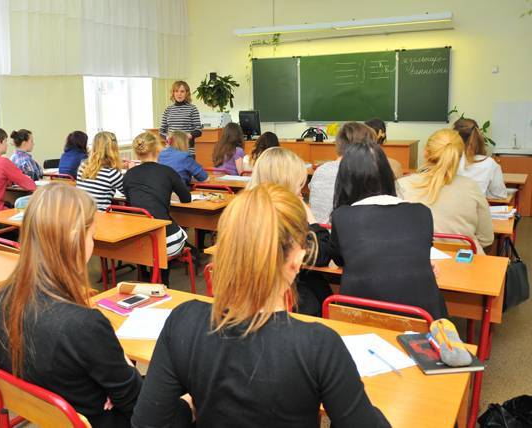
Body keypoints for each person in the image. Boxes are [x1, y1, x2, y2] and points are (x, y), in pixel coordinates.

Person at [131, 183, 390, 428]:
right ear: (297, 258)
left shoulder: (182, 320)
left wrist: (188, 406)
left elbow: (147, 423)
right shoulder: (319, 345)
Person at [0, 184, 192, 428]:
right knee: (195, 391)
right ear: (75, 239)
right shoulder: (83, 325)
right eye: (91, 235)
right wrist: (188, 404)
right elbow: (142, 412)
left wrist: (99, 385)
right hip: (105, 420)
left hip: (60, 411)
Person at [314, 141, 448, 319]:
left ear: (346, 180)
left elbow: (340, 259)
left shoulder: (343, 216)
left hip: (362, 317)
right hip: (423, 319)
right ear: (387, 174)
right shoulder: (422, 212)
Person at [248, 147, 331, 316]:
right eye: (299, 184)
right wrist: (310, 216)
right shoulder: (284, 216)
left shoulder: (246, 206)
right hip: (286, 300)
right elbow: (321, 255)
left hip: (250, 295)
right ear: (286, 183)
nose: (301, 190)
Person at [398, 129, 494, 254]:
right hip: (463, 265)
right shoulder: (471, 187)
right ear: (460, 157)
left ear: (425, 153)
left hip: (415, 261)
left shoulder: (402, 185)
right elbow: (486, 239)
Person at [123, 132, 191, 281]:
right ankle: (163, 282)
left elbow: (132, 202)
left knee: (154, 238)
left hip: (139, 241)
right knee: (175, 233)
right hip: (167, 241)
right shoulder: (168, 172)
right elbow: (186, 198)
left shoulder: (128, 175)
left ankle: (149, 276)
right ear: (158, 149)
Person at [309, 122, 376, 224]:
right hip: (341, 235)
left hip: (315, 233)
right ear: (365, 149)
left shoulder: (321, 169)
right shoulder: (362, 173)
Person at [454, 118, 507, 199]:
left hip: (447, 209)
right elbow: (499, 194)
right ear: (478, 136)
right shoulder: (489, 163)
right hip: (475, 209)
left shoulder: (447, 160)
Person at [76, 131, 124, 211]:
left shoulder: (83, 166)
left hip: (81, 213)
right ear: (114, 149)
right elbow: (129, 193)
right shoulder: (111, 173)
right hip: (100, 217)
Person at [159, 81, 202, 157]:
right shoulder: (168, 110)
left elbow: (198, 131)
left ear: (186, 93)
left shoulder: (192, 109)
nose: (179, 94)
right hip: (170, 150)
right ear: (173, 93)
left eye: (182, 91)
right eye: (176, 91)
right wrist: (167, 137)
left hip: (187, 151)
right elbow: (161, 131)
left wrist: (189, 135)